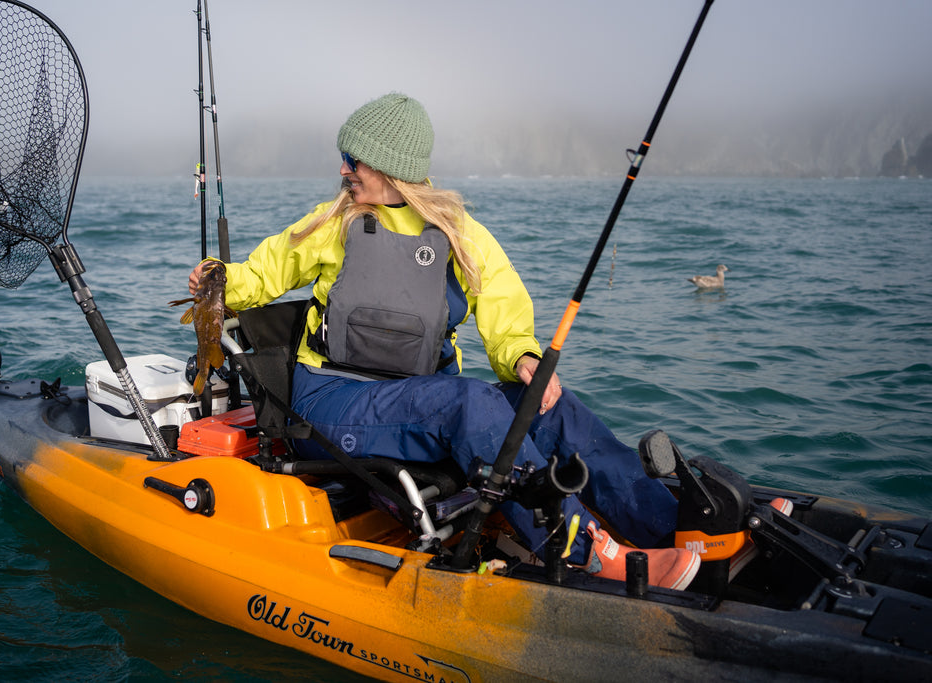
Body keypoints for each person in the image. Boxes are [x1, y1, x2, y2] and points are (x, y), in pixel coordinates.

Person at [188, 93, 700, 590]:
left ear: (389, 168)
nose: (344, 169)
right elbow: (263, 274)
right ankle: (580, 552)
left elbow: (501, 299)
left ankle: (673, 528)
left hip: (417, 400)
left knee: (548, 407)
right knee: (469, 404)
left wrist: (521, 353)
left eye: (353, 160)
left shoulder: (457, 232)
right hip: (330, 401)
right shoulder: (333, 221)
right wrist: (217, 281)